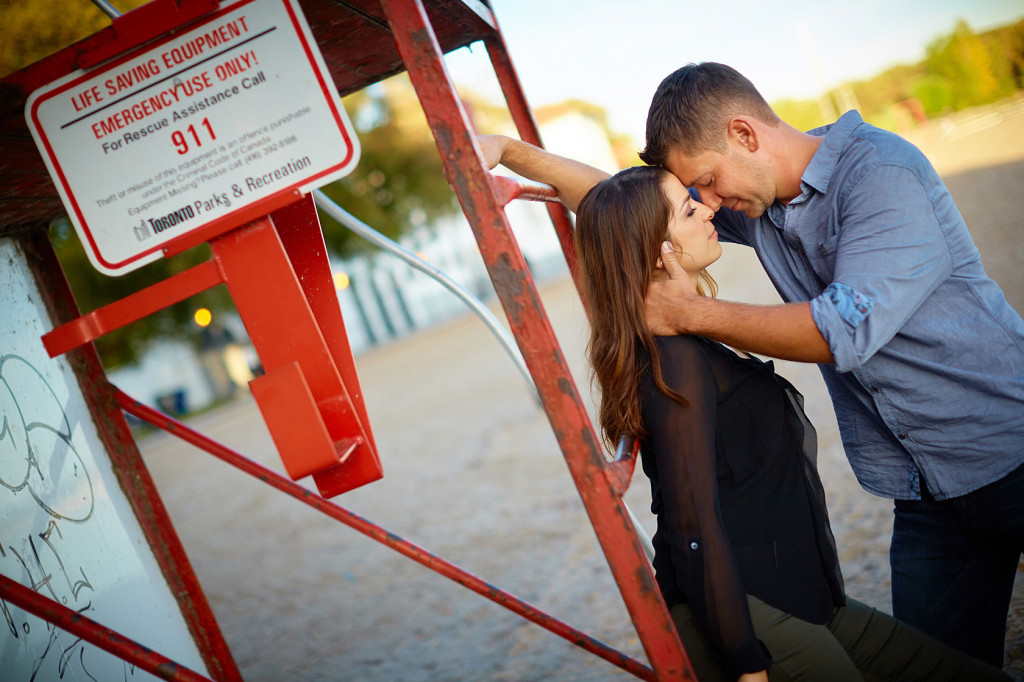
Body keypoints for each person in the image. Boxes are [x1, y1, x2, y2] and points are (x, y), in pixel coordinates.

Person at [478, 137, 1010, 680]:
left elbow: (618, 206)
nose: (707, 206)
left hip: (808, 602)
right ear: (651, 246)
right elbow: (691, 525)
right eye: (690, 206)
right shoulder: (676, 358)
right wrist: (744, 662)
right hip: (749, 616)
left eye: (699, 193)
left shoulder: (689, 326)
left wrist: (509, 150)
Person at [638, 62, 1024, 668]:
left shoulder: (880, 171)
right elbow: (627, 204)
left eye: (707, 181)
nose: (707, 204)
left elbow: (843, 326)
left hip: (1009, 444)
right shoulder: (755, 196)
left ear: (745, 134)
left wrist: (689, 313)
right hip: (925, 491)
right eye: (695, 194)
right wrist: (516, 154)